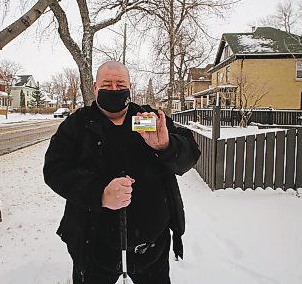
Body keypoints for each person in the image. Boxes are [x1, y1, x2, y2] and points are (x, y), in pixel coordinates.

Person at [43, 60, 201, 284]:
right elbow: (54, 169)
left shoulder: (148, 119)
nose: (114, 90)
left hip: (152, 248)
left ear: (130, 87)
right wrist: (100, 193)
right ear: (95, 88)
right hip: (94, 247)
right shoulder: (78, 124)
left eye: (120, 84)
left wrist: (167, 145)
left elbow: (190, 153)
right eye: (107, 84)